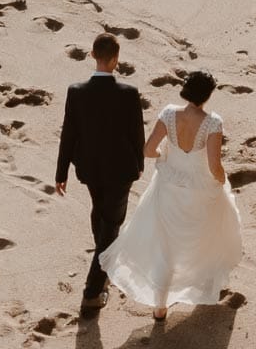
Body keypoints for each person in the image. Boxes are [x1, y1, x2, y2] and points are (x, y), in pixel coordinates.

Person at [98, 69, 245, 324]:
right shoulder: (213, 122)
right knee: (207, 235)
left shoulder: (168, 113)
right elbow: (214, 165)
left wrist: (167, 158)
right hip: (199, 189)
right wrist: (222, 181)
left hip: (168, 186)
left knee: (164, 248)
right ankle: (205, 286)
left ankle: (159, 308)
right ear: (207, 95)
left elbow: (147, 150)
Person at [56, 32, 147, 317]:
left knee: (101, 215)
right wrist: (139, 163)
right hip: (121, 171)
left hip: (90, 170)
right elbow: (136, 133)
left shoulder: (76, 91)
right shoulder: (129, 93)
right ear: (116, 60)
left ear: (93, 55)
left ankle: (104, 264)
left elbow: (68, 134)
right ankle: (92, 293)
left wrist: (61, 172)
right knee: (111, 226)